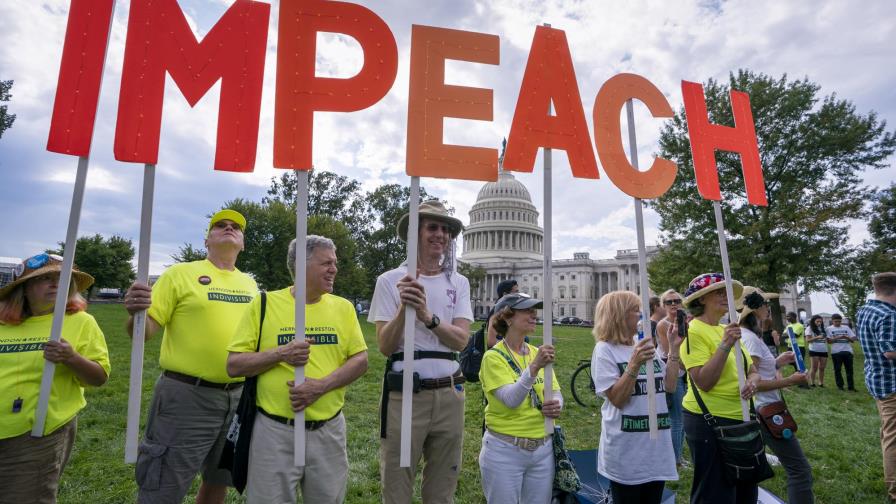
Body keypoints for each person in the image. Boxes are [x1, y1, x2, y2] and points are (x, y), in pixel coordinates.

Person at [124, 209, 259, 504]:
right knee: (163, 485)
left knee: (219, 479)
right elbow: (142, 332)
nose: (228, 228)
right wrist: (136, 312)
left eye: (236, 227)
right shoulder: (179, 274)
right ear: (206, 241)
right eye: (220, 225)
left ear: (243, 243)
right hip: (186, 396)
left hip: (237, 397)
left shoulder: (250, 285)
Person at [227, 236, 368, 503]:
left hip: (328, 432)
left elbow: (360, 360)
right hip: (274, 432)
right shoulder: (265, 304)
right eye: (326, 263)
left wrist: (320, 387)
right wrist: (281, 353)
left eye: (335, 263)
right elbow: (234, 365)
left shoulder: (343, 308)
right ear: (301, 266)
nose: (334, 269)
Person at [369, 200, 473, 504]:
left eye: (446, 229)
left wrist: (428, 315)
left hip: (450, 392)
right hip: (406, 394)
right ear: (415, 233)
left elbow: (461, 341)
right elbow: (385, 346)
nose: (440, 234)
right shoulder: (390, 280)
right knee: (398, 480)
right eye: (432, 227)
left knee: (443, 485)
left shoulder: (459, 282)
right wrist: (405, 308)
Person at [0, 253, 110, 503]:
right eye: (45, 278)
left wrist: (71, 357)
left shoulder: (80, 322)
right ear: (24, 288)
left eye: (62, 278)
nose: (55, 283)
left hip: (36, 434)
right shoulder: (4, 323)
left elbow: (99, 377)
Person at [679, 273, 762, 504]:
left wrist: (753, 381)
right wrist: (725, 344)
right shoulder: (693, 331)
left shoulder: (727, 327)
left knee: (746, 492)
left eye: (726, 292)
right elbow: (704, 382)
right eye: (718, 292)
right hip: (710, 422)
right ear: (702, 299)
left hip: (743, 419)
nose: (726, 297)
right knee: (715, 493)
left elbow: (752, 369)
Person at [591, 291, 681, 503]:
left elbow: (669, 386)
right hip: (627, 450)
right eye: (635, 310)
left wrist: (674, 348)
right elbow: (617, 399)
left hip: (657, 447)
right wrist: (633, 365)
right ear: (618, 315)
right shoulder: (604, 350)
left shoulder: (642, 343)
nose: (641, 314)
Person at [478, 293, 561, 504]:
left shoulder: (537, 352)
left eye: (535, 310)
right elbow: (511, 400)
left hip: (542, 449)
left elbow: (555, 392)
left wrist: (556, 405)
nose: (534, 315)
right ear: (507, 318)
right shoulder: (493, 357)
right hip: (505, 451)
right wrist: (534, 367)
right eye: (527, 310)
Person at [737, 287, 814, 504]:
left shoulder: (750, 336)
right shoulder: (750, 338)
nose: (768, 308)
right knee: (800, 470)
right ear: (753, 310)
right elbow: (752, 383)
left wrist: (778, 361)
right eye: (763, 304)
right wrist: (791, 380)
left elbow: (757, 369)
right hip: (765, 411)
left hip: (763, 409)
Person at [856, 272, 896, 502]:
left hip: (877, 379)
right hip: (891, 382)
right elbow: (890, 351)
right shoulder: (889, 315)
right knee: (893, 439)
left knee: (888, 434)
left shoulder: (866, 310)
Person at [656, 289, 687, 466]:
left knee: (683, 418)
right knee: (677, 418)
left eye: (676, 301)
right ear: (663, 305)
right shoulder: (663, 325)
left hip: (686, 372)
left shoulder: (686, 321)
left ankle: (678, 456)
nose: (674, 304)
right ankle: (675, 460)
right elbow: (670, 352)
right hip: (673, 373)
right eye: (669, 302)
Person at [826, 313, 857, 391]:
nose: (838, 323)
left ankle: (851, 387)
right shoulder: (829, 329)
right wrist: (839, 337)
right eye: (836, 321)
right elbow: (829, 341)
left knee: (849, 370)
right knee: (837, 370)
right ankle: (840, 386)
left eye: (839, 321)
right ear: (832, 321)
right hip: (836, 352)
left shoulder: (846, 327)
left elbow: (853, 339)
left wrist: (847, 338)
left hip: (848, 351)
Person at [486, 279, 519, 348]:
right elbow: (491, 342)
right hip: (498, 356)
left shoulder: (507, 311)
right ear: (505, 295)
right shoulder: (496, 313)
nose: (518, 295)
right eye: (516, 292)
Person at [805, 315, 829, 387]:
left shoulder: (823, 328)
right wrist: (817, 337)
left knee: (822, 368)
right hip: (814, 350)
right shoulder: (809, 328)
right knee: (814, 367)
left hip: (824, 350)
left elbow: (827, 338)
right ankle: (812, 383)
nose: (819, 323)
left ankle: (821, 383)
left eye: (820, 321)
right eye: (817, 321)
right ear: (813, 321)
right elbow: (808, 340)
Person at [786, 312, 807, 382]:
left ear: (794, 317)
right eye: (787, 316)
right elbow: (783, 335)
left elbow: (795, 335)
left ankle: (803, 382)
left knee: (799, 365)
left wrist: (788, 334)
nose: (787, 318)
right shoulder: (788, 326)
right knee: (793, 364)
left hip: (799, 347)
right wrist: (789, 334)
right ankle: (798, 379)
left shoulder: (800, 325)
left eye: (788, 316)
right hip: (790, 346)